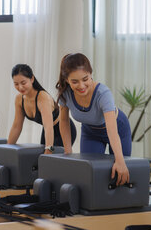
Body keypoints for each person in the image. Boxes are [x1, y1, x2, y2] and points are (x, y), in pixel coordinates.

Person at [56, 53, 132, 186]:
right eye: (75, 81)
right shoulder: (65, 93)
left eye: (85, 79)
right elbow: (63, 122)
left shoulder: (103, 94)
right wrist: (68, 152)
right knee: (89, 172)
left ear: (91, 73)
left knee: (119, 170)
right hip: (90, 132)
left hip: (117, 129)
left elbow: (112, 130)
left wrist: (119, 160)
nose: (81, 85)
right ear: (67, 80)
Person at [8, 64, 77, 153]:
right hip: (47, 130)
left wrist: (49, 150)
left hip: (63, 130)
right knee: (41, 161)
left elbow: (48, 127)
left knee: (53, 161)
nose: (20, 87)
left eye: (23, 83)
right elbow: (16, 126)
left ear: (32, 79)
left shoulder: (42, 97)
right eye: (16, 84)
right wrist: (8, 148)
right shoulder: (19, 99)